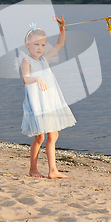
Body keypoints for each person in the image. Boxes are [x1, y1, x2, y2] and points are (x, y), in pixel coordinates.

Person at [20, 15, 76, 179]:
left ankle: (52, 170)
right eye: (36, 44)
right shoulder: (27, 60)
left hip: (50, 101)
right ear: (28, 44)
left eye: (42, 45)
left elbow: (60, 43)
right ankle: (33, 169)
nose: (39, 48)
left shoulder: (44, 59)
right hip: (37, 103)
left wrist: (62, 27)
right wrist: (36, 79)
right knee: (40, 137)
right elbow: (25, 78)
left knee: (53, 135)